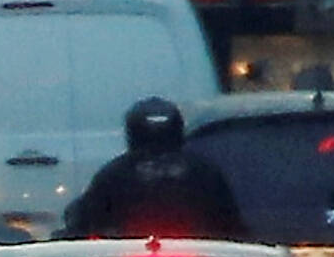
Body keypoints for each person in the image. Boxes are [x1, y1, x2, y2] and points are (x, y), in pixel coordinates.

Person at [67, 97, 248, 241]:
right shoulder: (205, 171)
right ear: (178, 130)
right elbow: (231, 224)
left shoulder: (114, 173)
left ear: (132, 133)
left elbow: (84, 220)